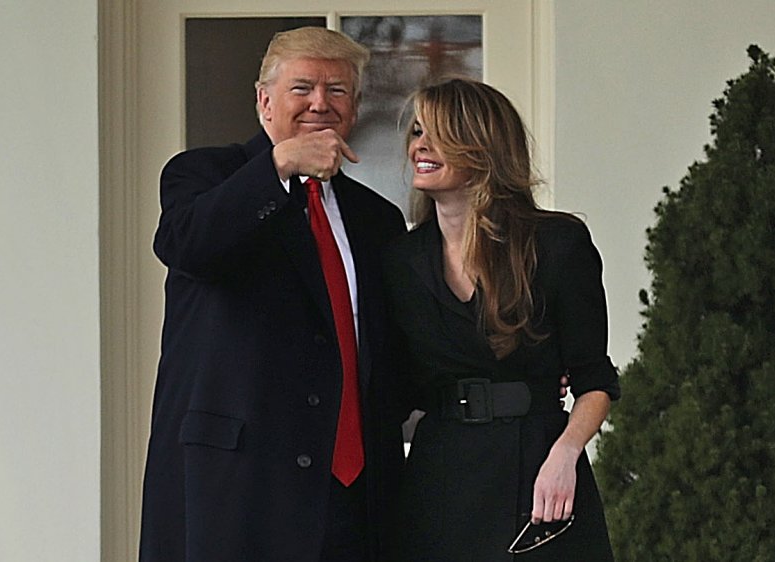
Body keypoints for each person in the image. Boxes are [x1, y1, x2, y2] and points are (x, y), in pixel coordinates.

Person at [139, 27, 409, 562]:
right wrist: (279, 165)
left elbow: (393, 348)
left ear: (354, 106)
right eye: (302, 87)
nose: (320, 104)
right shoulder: (205, 175)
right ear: (264, 100)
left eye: (337, 91)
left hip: (354, 494)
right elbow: (186, 244)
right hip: (238, 488)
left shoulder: (377, 219)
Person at [383, 78, 620, 561]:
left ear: (483, 146)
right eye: (416, 132)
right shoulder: (401, 260)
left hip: (539, 471)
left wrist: (565, 455)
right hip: (440, 476)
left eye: (439, 134)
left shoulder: (557, 245)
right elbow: (394, 384)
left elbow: (595, 380)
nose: (419, 147)